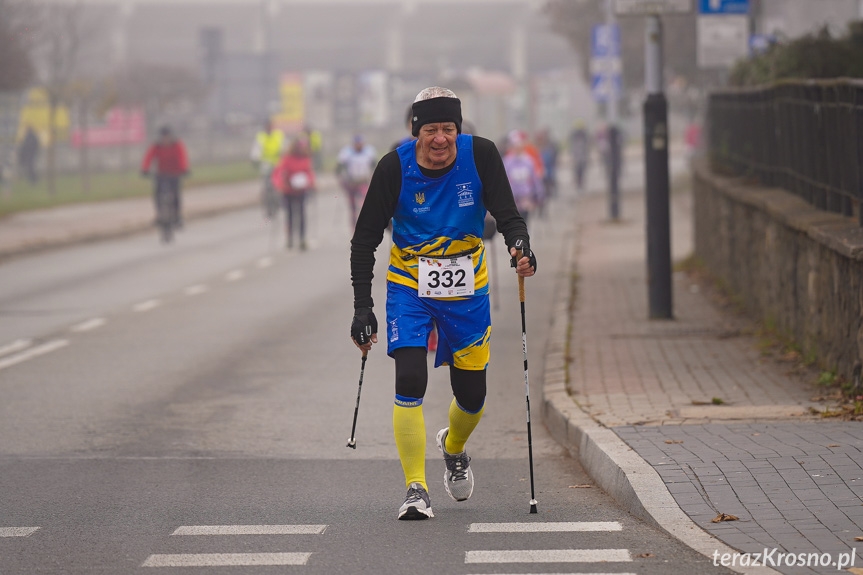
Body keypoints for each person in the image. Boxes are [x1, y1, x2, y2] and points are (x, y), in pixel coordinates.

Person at [350, 87, 537, 520]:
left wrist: (520, 246)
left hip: (467, 289)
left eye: (448, 129)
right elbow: (364, 241)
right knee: (410, 379)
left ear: (458, 130)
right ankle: (416, 489)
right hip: (409, 286)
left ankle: (453, 447)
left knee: (472, 396)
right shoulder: (394, 168)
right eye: (431, 130)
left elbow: (508, 215)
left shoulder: (483, 156)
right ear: (416, 132)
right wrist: (363, 306)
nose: (440, 139)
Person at [141, 126, 188, 228]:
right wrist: (145, 169)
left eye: (167, 137)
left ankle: (177, 216)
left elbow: (182, 157)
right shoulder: (156, 146)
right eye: (163, 137)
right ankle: (159, 215)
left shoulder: (177, 145)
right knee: (157, 194)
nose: (165, 139)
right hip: (161, 173)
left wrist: (184, 169)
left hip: (175, 173)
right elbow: (149, 157)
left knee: (176, 195)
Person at [273, 137, 316, 250]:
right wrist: (280, 184)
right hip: (288, 191)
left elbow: (309, 173)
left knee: (301, 214)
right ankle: (290, 238)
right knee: (290, 215)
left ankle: (302, 239)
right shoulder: (286, 159)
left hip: (301, 191)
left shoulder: (306, 159)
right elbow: (278, 173)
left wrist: (311, 183)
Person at [503, 131, 545, 224]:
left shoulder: (528, 161)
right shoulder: (507, 162)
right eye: (515, 147)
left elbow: (535, 179)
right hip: (512, 201)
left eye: (519, 147)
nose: (517, 149)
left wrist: (539, 194)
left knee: (524, 224)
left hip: (526, 199)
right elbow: (502, 180)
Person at [337, 135, 377, 225]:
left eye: (360, 143)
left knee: (364, 203)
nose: (358, 145)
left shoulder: (369, 152)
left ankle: (365, 224)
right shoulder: (347, 152)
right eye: (356, 144)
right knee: (353, 207)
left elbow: (374, 165)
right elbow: (339, 166)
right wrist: (341, 178)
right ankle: (354, 226)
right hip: (351, 183)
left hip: (363, 182)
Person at [250, 119, 285, 220]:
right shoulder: (261, 136)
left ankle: (279, 200)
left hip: (277, 164)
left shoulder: (278, 135)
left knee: (277, 184)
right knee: (266, 185)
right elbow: (256, 149)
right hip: (265, 164)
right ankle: (267, 203)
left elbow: (283, 147)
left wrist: (283, 157)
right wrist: (254, 159)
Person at [569, 121, 590, 193]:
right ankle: (579, 184)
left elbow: (587, 147)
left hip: (581, 157)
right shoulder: (575, 138)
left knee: (581, 171)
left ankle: (580, 184)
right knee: (578, 171)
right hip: (579, 157)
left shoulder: (584, 137)